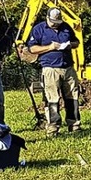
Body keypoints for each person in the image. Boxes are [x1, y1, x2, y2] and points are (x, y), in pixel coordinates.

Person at [27, 7, 81, 136]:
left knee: (72, 97)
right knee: (52, 98)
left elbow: (76, 42)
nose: (56, 24)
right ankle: (53, 127)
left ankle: (74, 125)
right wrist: (49, 47)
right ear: (47, 18)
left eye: (58, 22)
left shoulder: (66, 27)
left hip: (68, 68)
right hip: (50, 68)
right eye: (53, 22)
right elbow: (32, 49)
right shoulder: (39, 29)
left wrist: (70, 45)